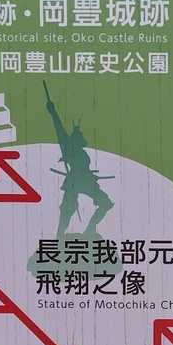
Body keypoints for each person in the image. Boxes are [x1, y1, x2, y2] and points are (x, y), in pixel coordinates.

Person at [44, 82, 113, 238]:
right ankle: (59, 235)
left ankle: (90, 229)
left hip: (86, 180)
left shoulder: (82, 152)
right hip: (75, 181)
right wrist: (53, 112)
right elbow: (59, 128)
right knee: (67, 209)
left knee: (105, 203)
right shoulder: (69, 147)